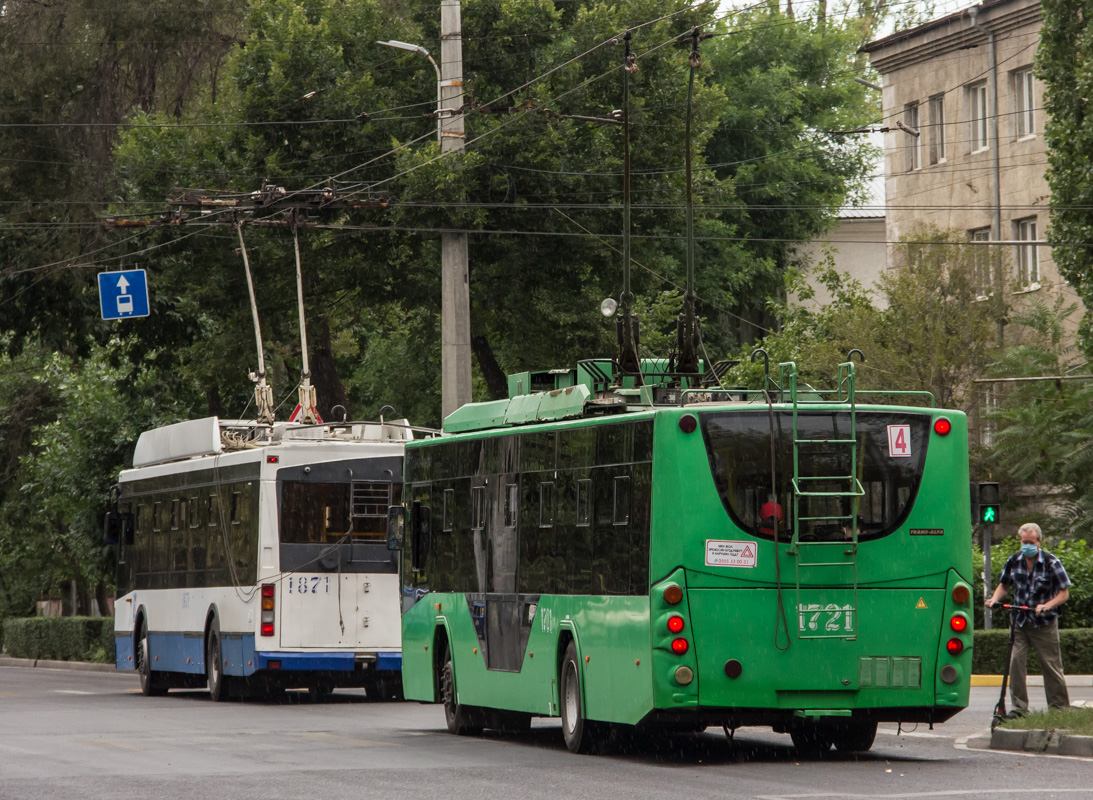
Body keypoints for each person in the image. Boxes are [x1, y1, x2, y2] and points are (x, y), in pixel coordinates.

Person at [985, 522, 1072, 715]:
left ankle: (1059, 708)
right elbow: (1004, 585)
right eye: (1024, 542)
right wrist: (994, 599)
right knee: (1015, 662)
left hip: (1044, 623)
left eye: (1031, 542)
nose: (1027, 546)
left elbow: (1064, 593)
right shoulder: (1014, 560)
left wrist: (1047, 605)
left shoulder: (1051, 562)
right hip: (1020, 621)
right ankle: (1019, 708)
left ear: (1039, 542)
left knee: (1051, 665)